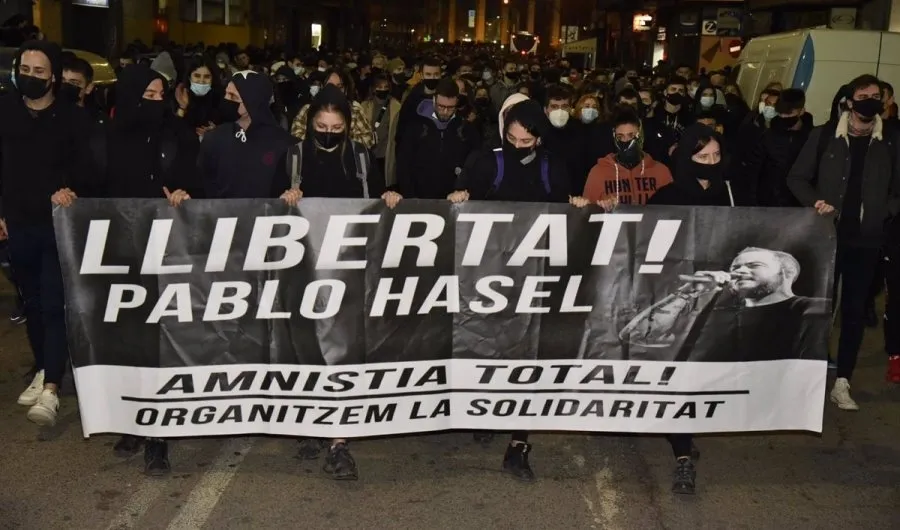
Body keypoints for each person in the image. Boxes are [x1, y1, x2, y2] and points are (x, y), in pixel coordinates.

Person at [447, 99, 589, 482]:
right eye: (511, 138)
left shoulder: (552, 166)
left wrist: (577, 206)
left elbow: (564, 212)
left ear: (538, 138)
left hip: (534, 275)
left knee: (529, 352)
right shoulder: (486, 161)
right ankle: (485, 410)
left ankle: (518, 442)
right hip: (489, 273)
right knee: (488, 343)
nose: (517, 146)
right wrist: (459, 198)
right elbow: (462, 205)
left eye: (526, 141)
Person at [279, 84, 401, 480]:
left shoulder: (361, 157)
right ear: (310, 123)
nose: (329, 133)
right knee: (308, 344)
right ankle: (315, 422)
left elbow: (376, 203)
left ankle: (338, 440)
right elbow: (268, 208)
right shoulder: (295, 156)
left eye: (336, 127)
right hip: (305, 268)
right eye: (321, 126)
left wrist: (390, 199)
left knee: (343, 346)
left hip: (349, 268)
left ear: (347, 126)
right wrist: (285, 198)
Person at [788, 74, 900, 410]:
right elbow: (796, 178)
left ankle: (843, 382)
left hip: (866, 241)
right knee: (816, 309)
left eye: (876, 96)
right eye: (863, 96)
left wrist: (884, 212)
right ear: (849, 102)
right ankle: (804, 379)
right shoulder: (824, 136)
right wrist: (815, 202)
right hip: (825, 237)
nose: (870, 101)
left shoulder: (891, 140)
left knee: (853, 312)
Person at [2, 40, 95, 426]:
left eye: (38, 71)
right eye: (24, 70)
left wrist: (70, 189)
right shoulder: (6, 110)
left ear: (53, 76)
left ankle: (52, 389)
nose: (30, 77)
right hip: (18, 224)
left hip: (58, 224)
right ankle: (44, 368)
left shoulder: (72, 118)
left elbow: (88, 170)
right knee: (34, 303)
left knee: (55, 304)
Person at [200, 70, 294, 199]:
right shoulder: (214, 138)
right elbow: (204, 183)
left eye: (233, 97)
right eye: (226, 94)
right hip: (222, 211)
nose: (226, 100)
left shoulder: (284, 144)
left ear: (252, 102)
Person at [396, 78, 479, 199]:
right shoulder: (415, 127)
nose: (445, 112)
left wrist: (463, 191)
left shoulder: (467, 130)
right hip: (419, 199)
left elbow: (475, 166)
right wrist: (410, 196)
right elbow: (403, 165)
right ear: (434, 100)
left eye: (450, 107)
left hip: (456, 199)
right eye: (441, 106)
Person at [582, 107, 673, 208]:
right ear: (614, 138)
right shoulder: (598, 173)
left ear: (640, 136)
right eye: (620, 137)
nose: (625, 141)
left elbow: (673, 211)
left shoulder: (661, 172)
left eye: (631, 136)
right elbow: (587, 211)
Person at [291, 67, 374, 149]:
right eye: (330, 86)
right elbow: (296, 136)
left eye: (339, 86)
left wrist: (340, 142)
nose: (334, 90)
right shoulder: (308, 109)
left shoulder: (355, 110)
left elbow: (368, 139)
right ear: (322, 86)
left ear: (346, 89)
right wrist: (319, 141)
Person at [361, 73, 401, 187]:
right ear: (374, 88)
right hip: (369, 153)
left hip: (386, 154)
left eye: (386, 87)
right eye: (379, 87)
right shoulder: (365, 106)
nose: (383, 90)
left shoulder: (396, 106)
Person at [174, 55, 223, 138]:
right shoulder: (179, 94)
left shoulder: (220, 96)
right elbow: (174, 129)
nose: (201, 81)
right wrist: (182, 107)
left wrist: (216, 130)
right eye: (197, 76)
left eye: (207, 77)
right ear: (189, 77)